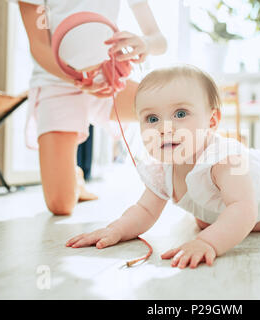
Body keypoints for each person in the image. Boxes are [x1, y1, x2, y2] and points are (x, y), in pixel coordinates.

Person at [66, 65, 260, 269]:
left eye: (180, 113)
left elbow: (244, 209)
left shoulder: (225, 159)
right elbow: (145, 211)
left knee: (242, 218)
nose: (164, 128)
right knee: (206, 218)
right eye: (152, 119)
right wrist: (116, 229)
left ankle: (250, 222)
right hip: (229, 201)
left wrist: (208, 242)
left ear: (211, 121)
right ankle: (214, 218)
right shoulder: (162, 169)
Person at [17, 0, 167, 215]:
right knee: (60, 205)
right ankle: (74, 175)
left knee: (170, 105)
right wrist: (80, 80)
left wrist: (145, 43)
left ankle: (209, 176)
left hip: (109, 79)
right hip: (57, 84)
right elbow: (39, 46)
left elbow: (159, 40)